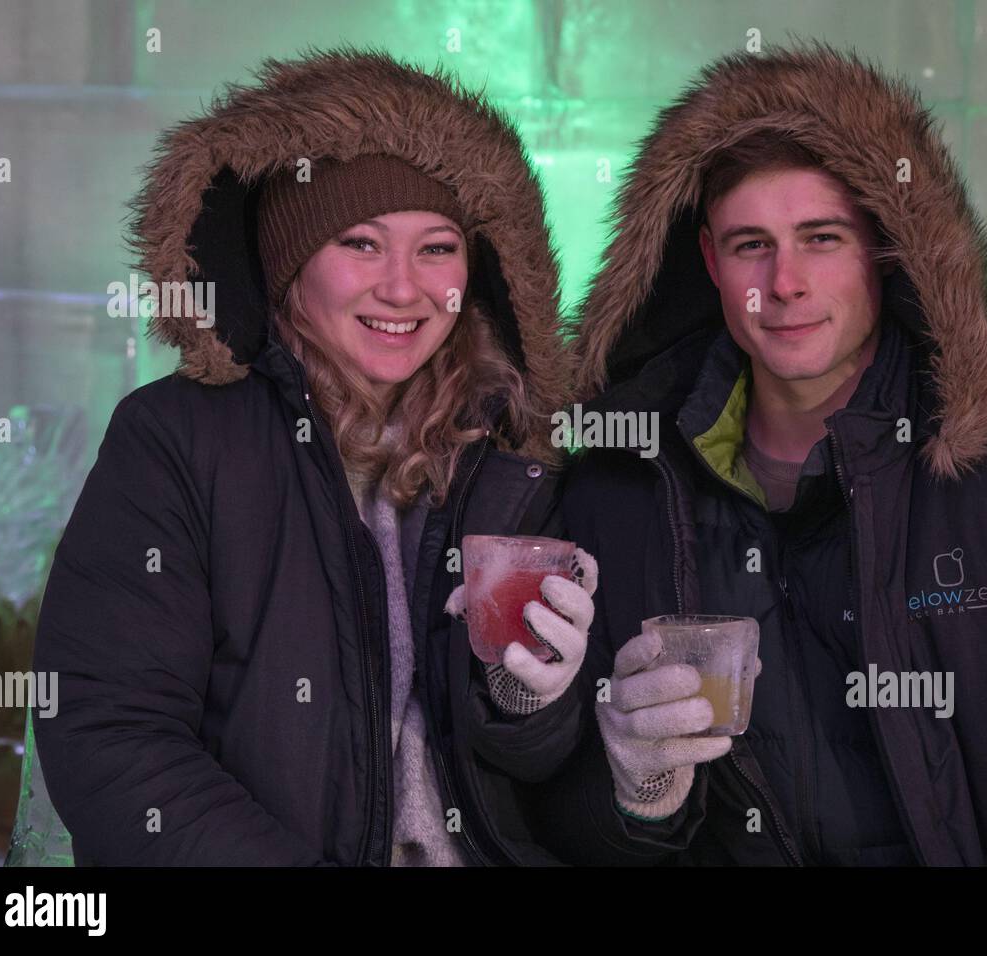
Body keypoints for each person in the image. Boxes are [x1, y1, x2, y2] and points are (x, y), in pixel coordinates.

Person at [539, 43, 987, 865]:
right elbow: (539, 823)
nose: (786, 282)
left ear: (886, 246)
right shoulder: (617, 494)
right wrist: (637, 799)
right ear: (708, 263)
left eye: (821, 238)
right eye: (749, 245)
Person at [31, 48, 595, 866]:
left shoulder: (508, 456)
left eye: (437, 248)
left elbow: (551, 785)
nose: (403, 289)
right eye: (361, 244)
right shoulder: (176, 442)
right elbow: (111, 740)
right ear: (291, 267)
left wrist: (530, 698)